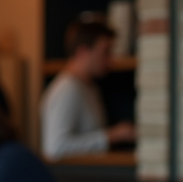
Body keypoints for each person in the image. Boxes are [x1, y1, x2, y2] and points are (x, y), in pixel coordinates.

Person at [40, 21, 136, 160]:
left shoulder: (89, 87)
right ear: (82, 52)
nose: (111, 60)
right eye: (105, 52)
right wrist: (112, 136)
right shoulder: (68, 89)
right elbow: (55, 148)